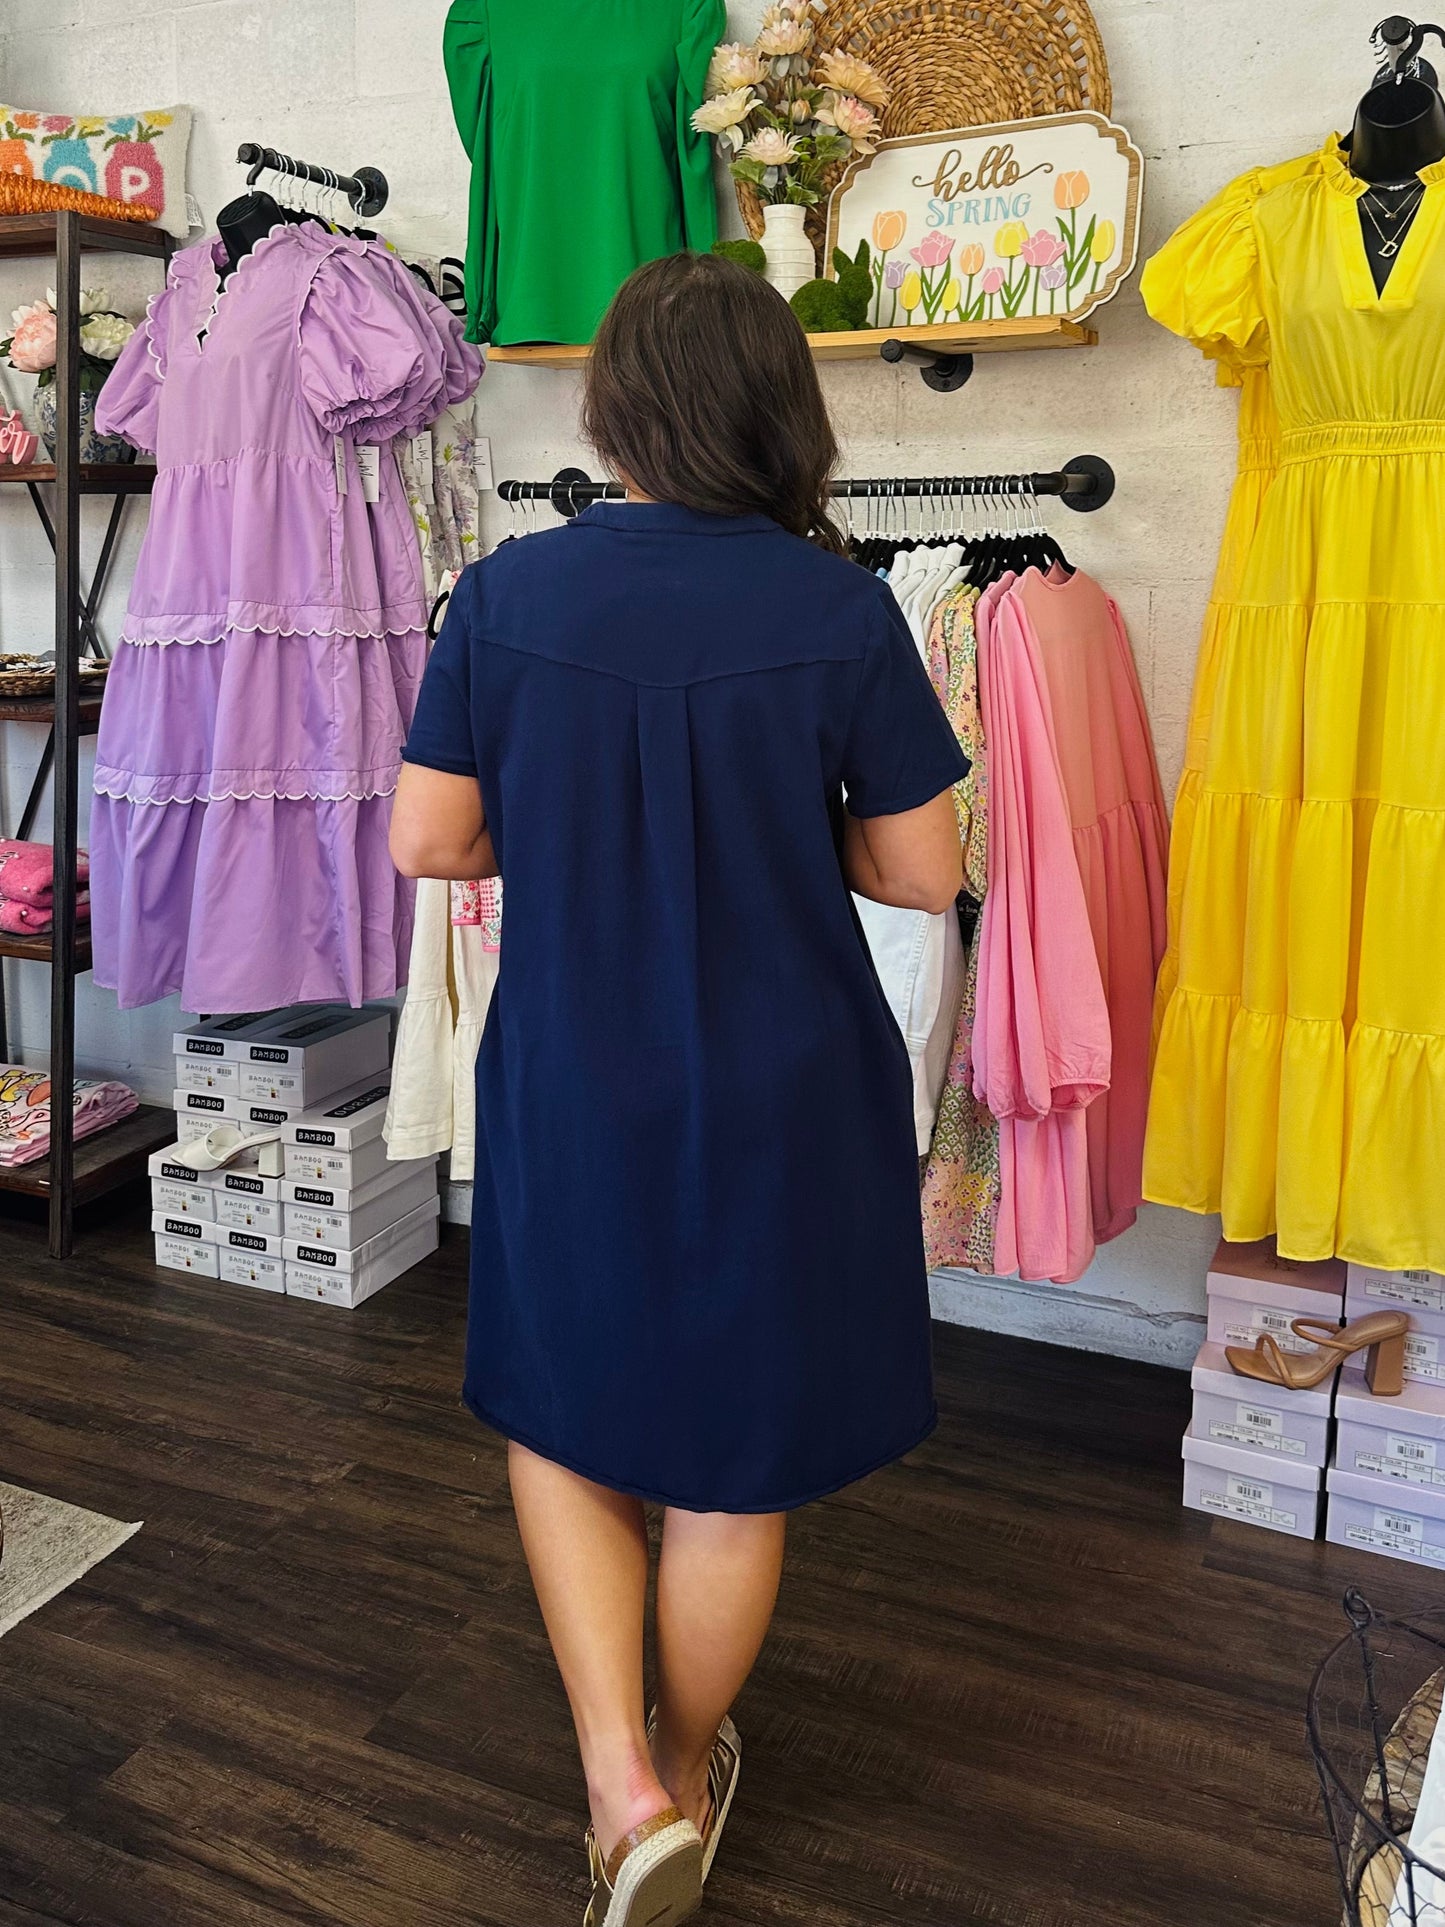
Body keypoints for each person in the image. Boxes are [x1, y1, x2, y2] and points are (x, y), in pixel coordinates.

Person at [390, 251, 965, 1927]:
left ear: (613, 408)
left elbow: (431, 838)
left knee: (568, 1425)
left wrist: (560, 833)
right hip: (789, 1082)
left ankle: (615, 1786)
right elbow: (923, 874)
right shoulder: (840, 608)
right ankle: (689, 1760)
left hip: (581, 1069)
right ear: (779, 410)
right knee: (731, 1467)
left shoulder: (507, 595)